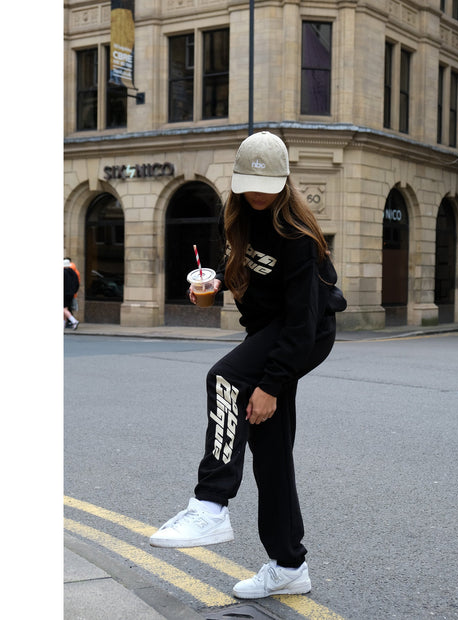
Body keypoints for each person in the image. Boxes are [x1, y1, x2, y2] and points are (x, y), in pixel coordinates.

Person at [149, 131, 339, 599]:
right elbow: (248, 277)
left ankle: (210, 503)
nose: (257, 194)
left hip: (306, 332)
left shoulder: (299, 237)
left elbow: (300, 324)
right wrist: (213, 288)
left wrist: (271, 384)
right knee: (271, 454)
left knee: (225, 377)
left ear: (284, 183)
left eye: (268, 186)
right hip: (269, 331)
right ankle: (289, 564)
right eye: (249, 184)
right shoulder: (236, 218)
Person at [64, 259, 80, 330]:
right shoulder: (74, 273)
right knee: (65, 309)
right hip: (71, 294)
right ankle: (63, 324)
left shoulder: (63, 272)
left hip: (64, 293)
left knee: (63, 309)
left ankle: (74, 321)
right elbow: (77, 284)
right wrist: (74, 292)